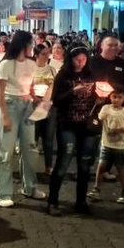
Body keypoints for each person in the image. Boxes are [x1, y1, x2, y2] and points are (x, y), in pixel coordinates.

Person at [46, 44, 100, 216]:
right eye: (78, 60)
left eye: (84, 60)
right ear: (70, 59)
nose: (81, 63)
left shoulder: (90, 75)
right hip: (67, 124)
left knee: (84, 166)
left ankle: (81, 201)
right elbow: (56, 100)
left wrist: (100, 99)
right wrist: (72, 91)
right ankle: (52, 201)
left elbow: (95, 96)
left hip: (87, 126)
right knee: (63, 163)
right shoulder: (63, 75)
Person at [0, 31, 45, 208]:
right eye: (31, 44)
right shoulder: (6, 64)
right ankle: (3, 192)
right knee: (6, 152)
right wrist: (5, 116)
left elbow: (30, 86)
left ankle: (30, 187)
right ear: (23, 45)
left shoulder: (31, 64)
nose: (33, 48)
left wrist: (37, 99)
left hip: (27, 106)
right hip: (10, 105)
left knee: (30, 148)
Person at [94, 88, 124, 205]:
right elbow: (98, 119)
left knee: (121, 169)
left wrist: (119, 130)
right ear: (110, 97)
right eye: (114, 97)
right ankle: (96, 188)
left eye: (120, 97)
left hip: (120, 146)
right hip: (106, 144)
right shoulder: (105, 108)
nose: (116, 100)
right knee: (101, 166)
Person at [90, 34, 124, 107]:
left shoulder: (123, 63)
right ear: (102, 45)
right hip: (94, 105)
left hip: (117, 106)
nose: (113, 48)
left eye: (116, 45)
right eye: (110, 45)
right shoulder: (91, 61)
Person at [33, 43, 57, 175]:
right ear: (36, 55)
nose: (46, 56)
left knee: (48, 138)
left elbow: (55, 87)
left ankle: (48, 166)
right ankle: (30, 165)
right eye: (43, 54)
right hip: (33, 105)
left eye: (48, 53)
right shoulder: (30, 69)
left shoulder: (52, 69)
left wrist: (48, 101)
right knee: (33, 137)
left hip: (49, 106)